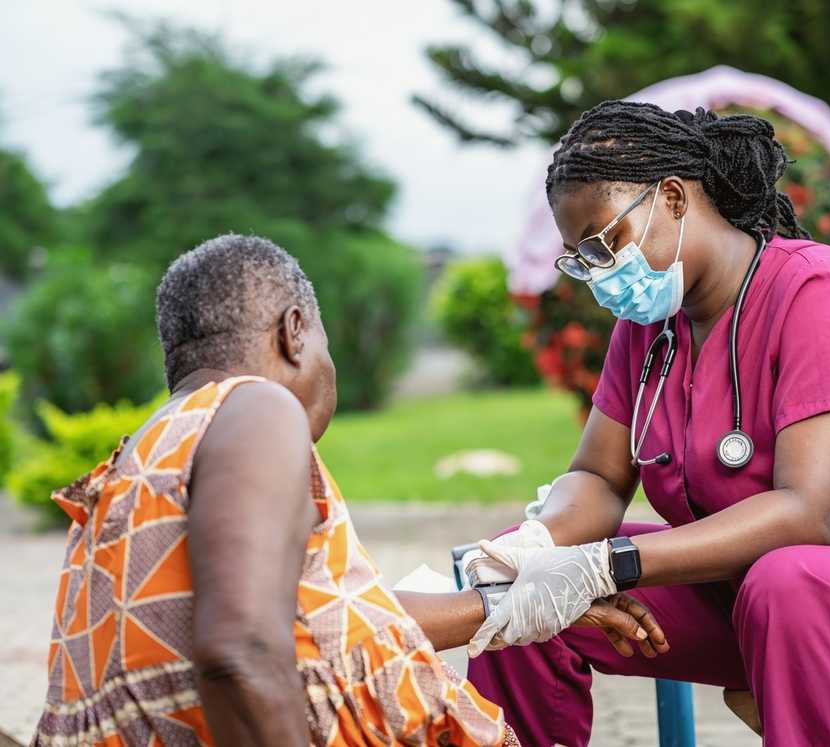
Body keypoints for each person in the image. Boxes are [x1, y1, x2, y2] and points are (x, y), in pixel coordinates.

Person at [464, 102, 830, 746]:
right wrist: (538, 548)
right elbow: (598, 475)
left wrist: (610, 565)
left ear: (676, 199)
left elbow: (810, 513)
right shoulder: (647, 330)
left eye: (604, 243)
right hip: (758, 601)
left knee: (791, 581)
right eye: (580, 259)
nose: (600, 275)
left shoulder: (821, 289)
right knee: (521, 603)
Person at [31, 234, 666, 747]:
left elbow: (312, 626)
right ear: (294, 330)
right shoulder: (256, 407)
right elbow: (239, 650)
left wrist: (506, 601)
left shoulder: (136, 464)